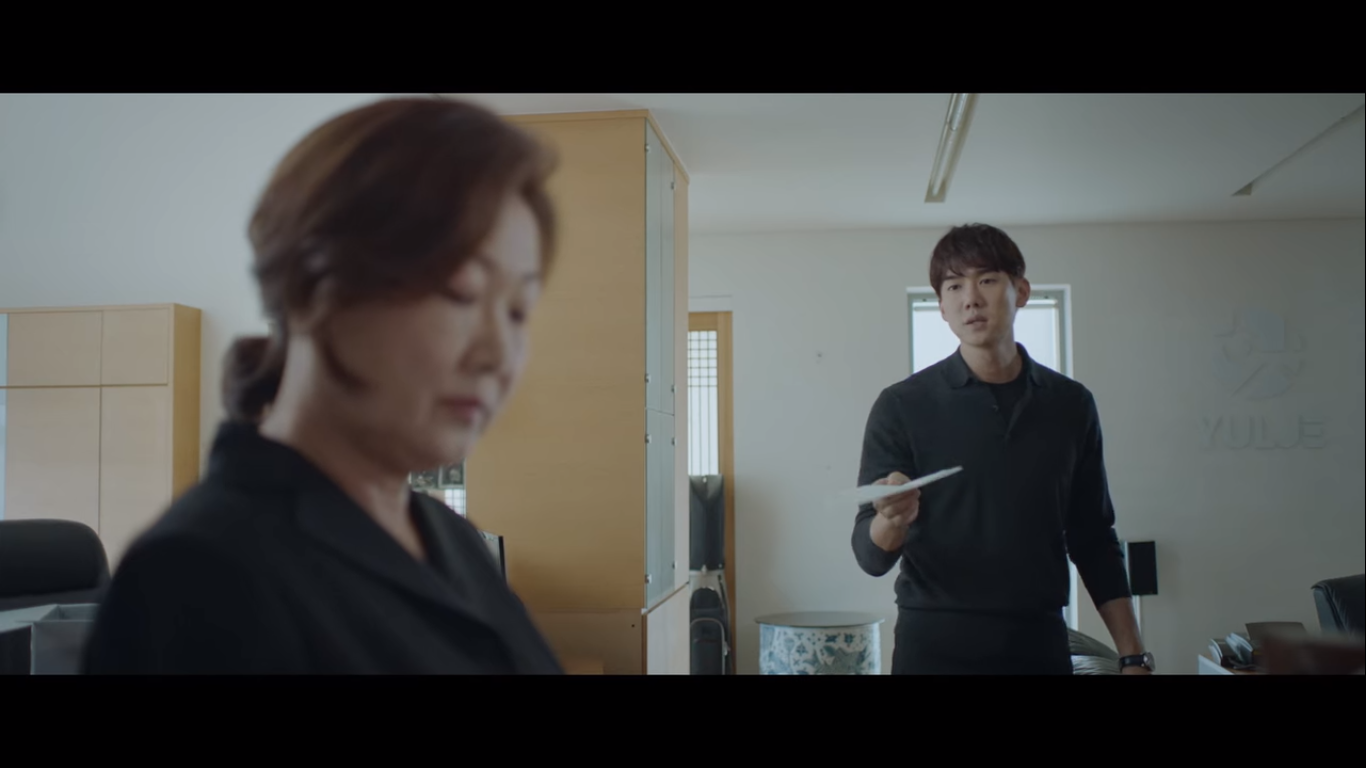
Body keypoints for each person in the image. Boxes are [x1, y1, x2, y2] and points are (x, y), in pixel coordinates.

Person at [82, 97, 565, 673]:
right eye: (460, 293)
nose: (498, 355)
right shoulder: (198, 578)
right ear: (316, 289)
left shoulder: (451, 539)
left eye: (517, 311)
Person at [851, 223, 1153, 675]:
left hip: (1039, 645)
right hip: (933, 649)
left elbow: (1093, 537)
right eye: (954, 286)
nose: (970, 299)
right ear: (942, 307)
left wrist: (1132, 654)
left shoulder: (1070, 405)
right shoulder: (902, 405)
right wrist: (891, 520)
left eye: (987, 280)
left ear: (1021, 291)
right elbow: (870, 556)